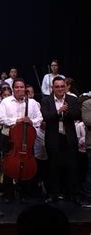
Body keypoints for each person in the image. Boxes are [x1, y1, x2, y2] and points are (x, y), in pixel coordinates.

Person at [0, 78, 43, 203]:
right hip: (10, 136)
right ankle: (8, 193)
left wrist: (31, 121)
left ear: (25, 89)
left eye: (21, 87)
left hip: (27, 138)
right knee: (8, 163)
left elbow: (39, 119)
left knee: (27, 164)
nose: (19, 89)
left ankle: (25, 192)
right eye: (16, 87)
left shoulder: (32, 103)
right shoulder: (6, 102)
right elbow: (1, 119)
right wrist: (16, 121)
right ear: (13, 89)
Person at [42, 76, 82, 205]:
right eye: (57, 86)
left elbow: (77, 114)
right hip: (53, 138)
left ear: (66, 87)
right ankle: (53, 194)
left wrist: (66, 112)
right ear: (53, 88)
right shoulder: (46, 100)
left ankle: (72, 194)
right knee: (53, 168)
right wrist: (59, 112)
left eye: (62, 86)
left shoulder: (72, 99)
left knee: (72, 167)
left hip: (69, 138)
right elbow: (46, 117)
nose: (60, 89)